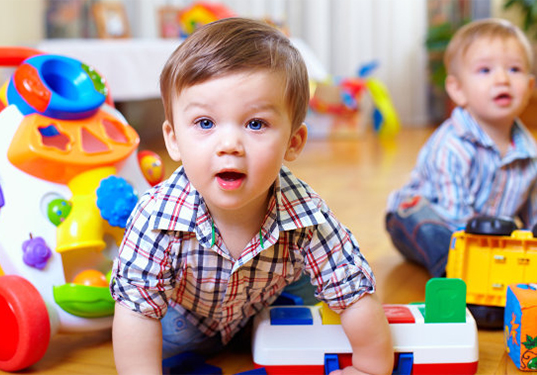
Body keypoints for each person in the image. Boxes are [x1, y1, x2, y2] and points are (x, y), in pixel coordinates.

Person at [111, 17, 393, 375]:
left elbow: (353, 291)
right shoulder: (156, 218)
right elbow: (137, 310)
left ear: (294, 142)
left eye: (255, 124)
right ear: (173, 140)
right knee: (139, 322)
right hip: (180, 325)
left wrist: (371, 367)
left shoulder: (308, 215)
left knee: (314, 298)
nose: (229, 145)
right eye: (205, 123)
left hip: (266, 312)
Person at [386, 18, 537, 278]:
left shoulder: (530, 152)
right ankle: (453, 272)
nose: (502, 79)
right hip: (426, 218)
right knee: (432, 229)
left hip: (490, 235)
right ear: (457, 89)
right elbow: (453, 217)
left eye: (514, 69)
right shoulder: (451, 146)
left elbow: (534, 211)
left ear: (529, 88)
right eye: (485, 71)